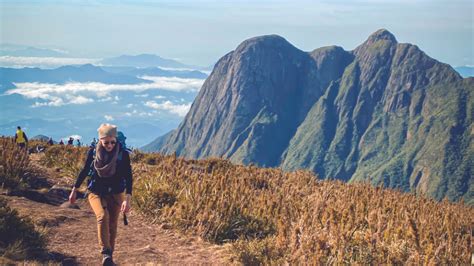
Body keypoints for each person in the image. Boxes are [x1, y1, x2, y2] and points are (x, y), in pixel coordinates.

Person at [69, 123, 132, 266]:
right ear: (100, 141)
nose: (109, 145)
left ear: (116, 140)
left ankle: (109, 259)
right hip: (96, 192)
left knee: (112, 224)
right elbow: (85, 170)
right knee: (102, 216)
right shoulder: (93, 153)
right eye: (106, 142)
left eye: (112, 142)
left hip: (116, 193)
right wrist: (74, 189)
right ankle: (105, 253)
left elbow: (129, 176)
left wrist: (127, 198)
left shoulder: (123, 154)